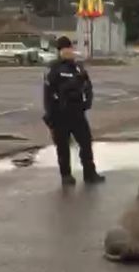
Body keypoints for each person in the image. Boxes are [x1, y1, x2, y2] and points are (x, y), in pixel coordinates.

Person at [43, 36, 105, 186]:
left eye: (69, 48)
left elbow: (87, 86)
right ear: (59, 51)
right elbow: (48, 94)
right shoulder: (54, 69)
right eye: (64, 49)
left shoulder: (78, 67)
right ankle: (66, 176)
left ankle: (90, 174)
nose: (67, 52)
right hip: (60, 115)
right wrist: (50, 117)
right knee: (63, 147)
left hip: (77, 113)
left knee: (86, 143)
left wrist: (87, 102)